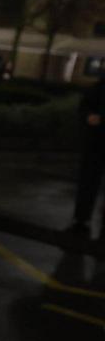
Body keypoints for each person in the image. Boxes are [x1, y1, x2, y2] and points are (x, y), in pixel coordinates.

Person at [72, 74, 105, 238]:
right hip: (95, 142)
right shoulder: (98, 87)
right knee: (88, 180)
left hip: (95, 141)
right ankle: (81, 217)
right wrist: (88, 116)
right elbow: (85, 107)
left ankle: (82, 218)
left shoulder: (98, 87)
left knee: (89, 179)